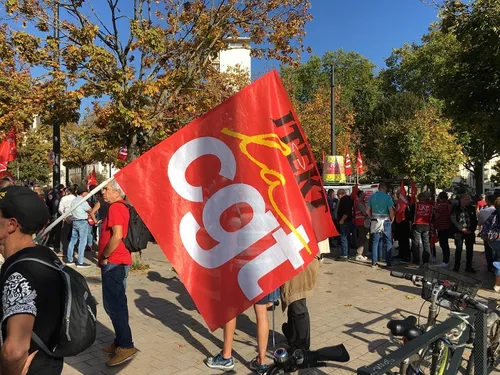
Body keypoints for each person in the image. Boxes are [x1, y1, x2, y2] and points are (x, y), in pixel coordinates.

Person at [0, 186, 64, 374]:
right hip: (49, 362)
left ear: (11, 225)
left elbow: (15, 351)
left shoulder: (19, 274)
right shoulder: (44, 254)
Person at [98, 180, 137, 366]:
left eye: (106, 189)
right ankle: (120, 341)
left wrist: (105, 255)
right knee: (119, 303)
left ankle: (126, 346)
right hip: (119, 261)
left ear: (117, 192)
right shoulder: (121, 206)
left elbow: (117, 235)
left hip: (114, 262)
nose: (103, 192)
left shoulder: (115, 208)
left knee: (113, 305)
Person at [206, 290, 279, 373]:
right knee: (261, 311)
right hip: (258, 278)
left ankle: (226, 356)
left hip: (236, 278)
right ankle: (261, 362)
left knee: (231, 307)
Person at [367, 182, 395, 269]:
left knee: (375, 242)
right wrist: (392, 219)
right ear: (385, 188)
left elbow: (367, 210)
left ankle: (374, 263)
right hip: (386, 220)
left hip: (375, 220)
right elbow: (391, 210)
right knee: (388, 242)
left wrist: (371, 217)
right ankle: (389, 263)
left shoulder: (372, 197)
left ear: (378, 188)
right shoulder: (388, 197)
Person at [66, 186, 94, 268]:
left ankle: (69, 259)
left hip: (75, 221)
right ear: (83, 193)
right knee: (82, 242)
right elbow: (90, 210)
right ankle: (80, 262)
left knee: (72, 240)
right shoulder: (83, 201)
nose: (87, 194)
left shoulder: (74, 200)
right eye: (86, 192)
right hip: (82, 222)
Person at [451, 194, 477, 273]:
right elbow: (453, 219)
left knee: (470, 249)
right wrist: (461, 228)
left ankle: (469, 266)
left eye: (469, 200)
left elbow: (474, 220)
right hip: (459, 231)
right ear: (461, 199)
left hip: (469, 231)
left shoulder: (471, 208)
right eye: (466, 199)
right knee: (459, 249)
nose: (468, 201)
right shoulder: (455, 208)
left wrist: (471, 230)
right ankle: (456, 266)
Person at [408, 192, 433, 266]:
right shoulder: (430, 206)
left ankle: (416, 261)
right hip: (426, 226)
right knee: (426, 244)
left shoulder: (415, 205)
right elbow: (433, 217)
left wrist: (410, 226)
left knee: (416, 244)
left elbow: (409, 216)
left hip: (417, 225)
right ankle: (426, 261)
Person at [478, 194, 496, 272]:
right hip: (496, 234)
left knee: (488, 250)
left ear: (487, 200)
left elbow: (480, 222)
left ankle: (490, 266)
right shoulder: (497, 210)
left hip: (487, 234)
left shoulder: (483, 211)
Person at [435, 192, 452, 268]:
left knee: (443, 244)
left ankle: (445, 261)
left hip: (442, 226)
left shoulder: (441, 206)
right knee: (445, 244)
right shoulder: (449, 205)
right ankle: (446, 260)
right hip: (448, 226)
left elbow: (437, 216)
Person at [58, 187, 76, 260]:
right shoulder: (76, 198)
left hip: (66, 218)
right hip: (75, 218)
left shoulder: (64, 198)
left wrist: (65, 217)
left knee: (64, 236)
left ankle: (63, 251)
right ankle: (73, 251)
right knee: (74, 236)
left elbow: (60, 209)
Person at [336, 189, 353, 261]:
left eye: (338, 195)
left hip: (344, 221)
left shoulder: (344, 200)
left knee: (343, 238)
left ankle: (344, 255)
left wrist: (342, 220)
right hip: (349, 221)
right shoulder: (349, 199)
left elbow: (346, 212)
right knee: (347, 237)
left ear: (340, 194)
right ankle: (347, 253)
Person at [354, 190, 369, 261]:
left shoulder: (361, 202)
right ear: (360, 195)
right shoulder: (359, 202)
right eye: (363, 193)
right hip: (361, 222)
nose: (365, 194)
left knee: (363, 237)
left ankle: (361, 253)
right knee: (362, 237)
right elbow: (365, 212)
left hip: (362, 222)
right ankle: (359, 254)